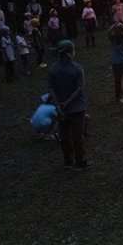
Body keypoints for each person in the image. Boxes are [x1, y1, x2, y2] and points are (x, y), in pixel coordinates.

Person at [48, 40, 92, 171]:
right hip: (77, 107)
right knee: (77, 136)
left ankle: (68, 161)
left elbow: (51, 88)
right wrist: (68, 102)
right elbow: (80, 88)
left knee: (65, 135)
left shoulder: (53, 69)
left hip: (61, 109)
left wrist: (59, 105)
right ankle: (80, 161)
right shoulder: (77, 68)